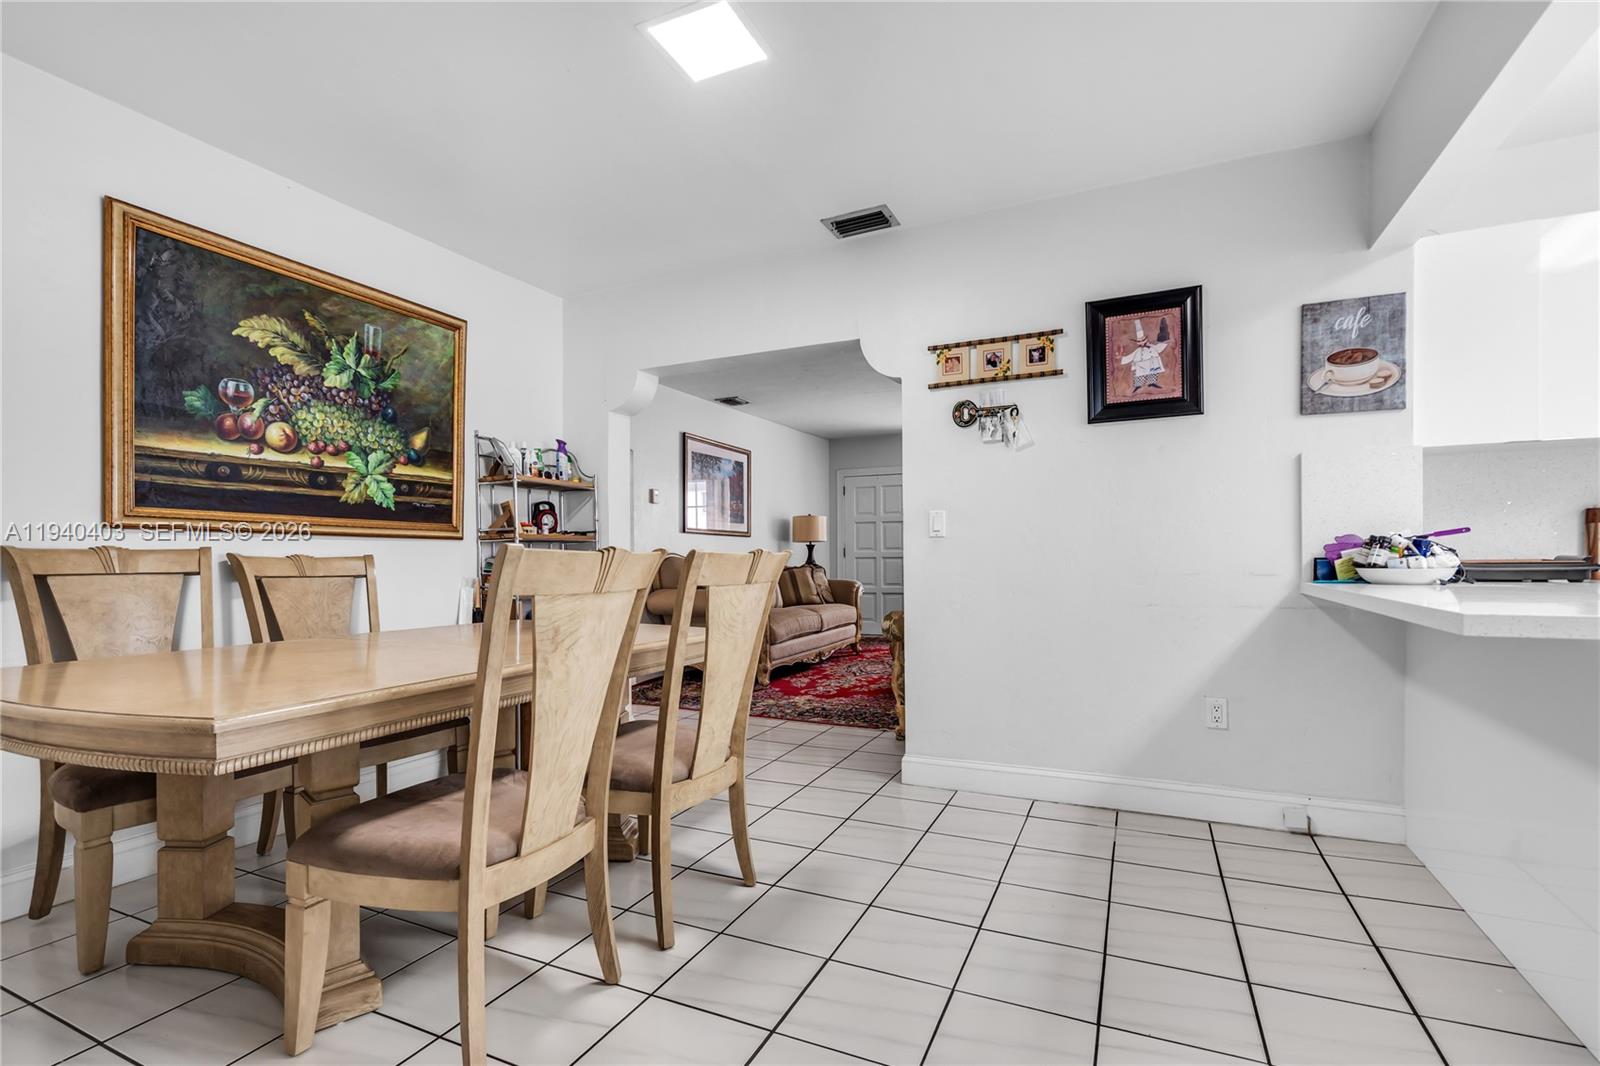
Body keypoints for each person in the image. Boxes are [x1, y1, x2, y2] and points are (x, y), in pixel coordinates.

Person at [1119, 316, 1170, 392]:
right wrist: (1122, 358)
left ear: (1146, 339)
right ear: (1137, 343)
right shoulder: (1137, 351)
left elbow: (1159, 347)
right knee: (1139, 376)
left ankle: (1152, 383)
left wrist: (1164, 338)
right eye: (1140, 341)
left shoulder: (1152, 347)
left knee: (1153, 373)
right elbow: (1130, 357)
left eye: (1143, 340)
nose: (1142, 342)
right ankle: (1138, 386)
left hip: (1152, 363)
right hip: (1141, 365)